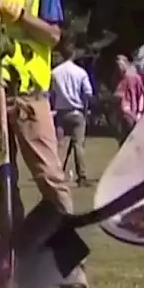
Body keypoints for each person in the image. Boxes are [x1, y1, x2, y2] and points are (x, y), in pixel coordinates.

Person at [0, 0, 87, 288]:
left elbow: (52, 36)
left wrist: (15, 13)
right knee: (2, 185)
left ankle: (70, 263)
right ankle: (13, 261)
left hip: (30, 94)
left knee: (52, 181)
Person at [50, 47, 94, 187]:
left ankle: (57, 175)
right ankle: (82, 176)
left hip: (61, 112)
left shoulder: (54, 73)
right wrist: (85, 108)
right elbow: (88, 93)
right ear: (74, 54)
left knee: (60, 145)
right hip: (77, 111)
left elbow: (50, 93)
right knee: (78, 146)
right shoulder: (80, 72)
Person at [113, 54, 144, 141]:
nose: (118, 69)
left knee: (127, 139)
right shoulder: (124, 78)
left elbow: (140, 95)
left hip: (129, 114)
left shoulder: (131, 78)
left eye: (119, 66)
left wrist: (139, 112)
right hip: (127, 114)